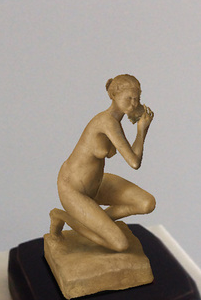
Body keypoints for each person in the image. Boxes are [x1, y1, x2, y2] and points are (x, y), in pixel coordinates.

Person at [49, 74, 155, 252]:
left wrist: (142, 130)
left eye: (137, 99)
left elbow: (134, 158)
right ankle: (61, 216)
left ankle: (97, 223)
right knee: (119, 244)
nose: (133, 104)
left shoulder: (116, 122)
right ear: (114, 96)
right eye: (129, 98)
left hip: (96, 183)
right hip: (73, 189)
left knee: (146, 203)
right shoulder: (106, 122)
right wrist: (140, 131)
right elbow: (134, 162)